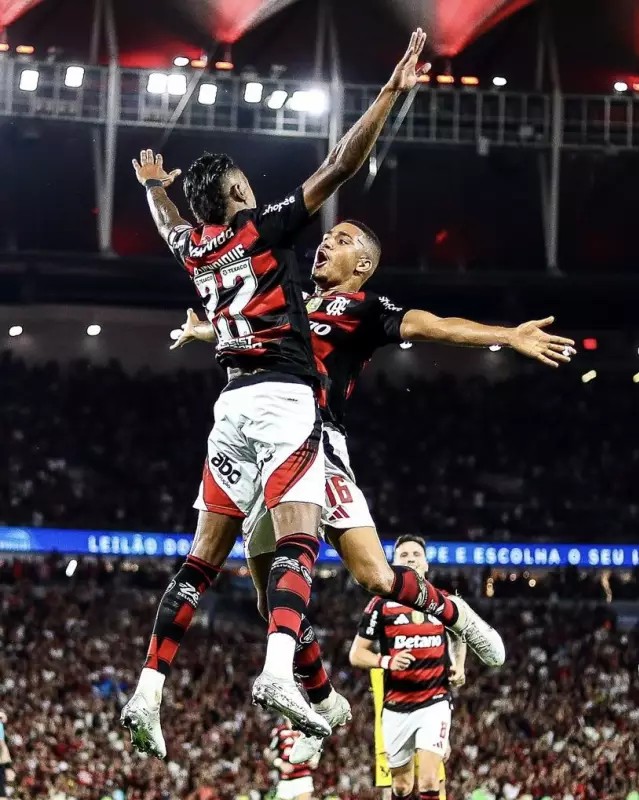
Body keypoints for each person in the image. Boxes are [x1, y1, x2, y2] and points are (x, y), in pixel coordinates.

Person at [121, 29, 430, 757]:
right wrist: (388, 95)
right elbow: (339, 162)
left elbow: (170, 228)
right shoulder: (261, 230)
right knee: (298, 538)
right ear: (236, 194)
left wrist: (156, 190)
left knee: (202, 559)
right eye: (244, 183)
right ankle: (277, 671)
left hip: (228, 407)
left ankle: (148, 690)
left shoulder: (195, 248)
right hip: (286, 398)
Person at [173, 217, 574, 759]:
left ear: (362, 264)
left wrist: (506, 335)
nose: (325, 243)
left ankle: (455, 614)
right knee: (270, 601)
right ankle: (324, 702)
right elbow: (246, 333)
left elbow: (433, 325)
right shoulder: (289, 300)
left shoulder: (362, 308)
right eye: (326, 236)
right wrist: (206, 332)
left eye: (341, 240)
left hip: (317, 443)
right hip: (267, 445)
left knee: (376, 577)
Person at [350, 536, 465, 800]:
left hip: (435, 702)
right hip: (396, 706)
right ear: (394, 565)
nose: (411, 558)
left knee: (429, 780)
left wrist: (459, 664)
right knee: (402, 786)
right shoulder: (381, 604)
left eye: (416, 554)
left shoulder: (444, 601)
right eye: (403, 555)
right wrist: (387, 661)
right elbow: (356, 654)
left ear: (426, 563)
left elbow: (461, 634)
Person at [266, 721, 319, 800]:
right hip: (285, 778)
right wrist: (280, 764)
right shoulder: (279, 731)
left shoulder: (307, 730)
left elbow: (317, 747)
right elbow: (268, 753)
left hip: (303, 776)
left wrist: (315, 759)